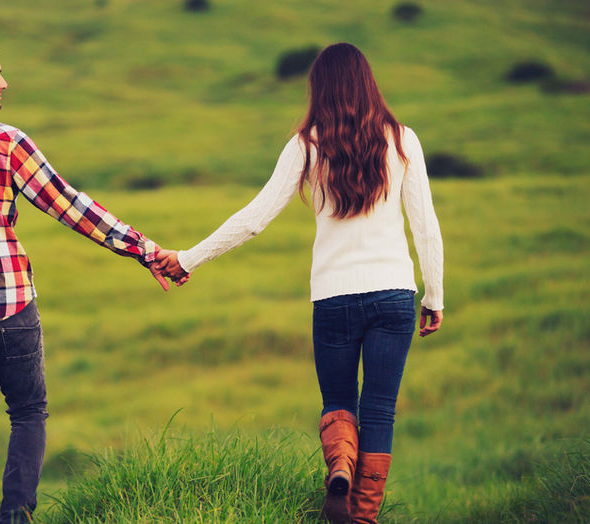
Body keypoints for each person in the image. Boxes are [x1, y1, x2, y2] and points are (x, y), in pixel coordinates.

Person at [155, 42, 443, 524]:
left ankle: (341, 470)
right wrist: (433, 294)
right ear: (368, 82)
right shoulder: (402, 139)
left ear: (320, 89)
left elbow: (254, 219)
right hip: (394, 294)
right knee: (379, 410)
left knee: (338, 403)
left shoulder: (306, 145)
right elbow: (426, 225)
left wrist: (187, 259)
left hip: (333, 296)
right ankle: (364, 516)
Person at [0, 37, 171, 524]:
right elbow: (70, 206)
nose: (4, 82)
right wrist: (144, 250)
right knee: (28, 412)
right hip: (10, 307)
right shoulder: (5, 141)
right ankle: (17, 517)